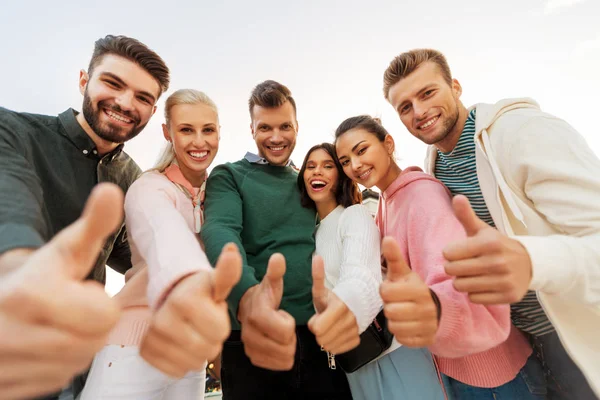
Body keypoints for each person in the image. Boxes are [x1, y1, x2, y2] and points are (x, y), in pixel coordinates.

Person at [382, 48, 600, 399]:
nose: (419, 111)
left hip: (572, 333)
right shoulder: (436, 166)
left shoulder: (524, 132)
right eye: (405, 107)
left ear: (455, 86)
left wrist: (531, 262)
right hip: (518, 344)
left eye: (427, 93)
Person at [335, 115, 546, 399]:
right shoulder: (387, 202)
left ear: (388, 144)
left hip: (491, 373)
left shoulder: (422, 195)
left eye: (361, 150)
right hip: (452, 366)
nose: (355, 165)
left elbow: (459, 282)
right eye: (345, 160)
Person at [80, 89, 241, 399]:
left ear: (220, 132)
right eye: (186, 129)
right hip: (132, 348)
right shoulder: (150, 188)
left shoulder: (221, 195)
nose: (199, 141)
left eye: (208, 130)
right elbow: (168, 242)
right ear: (167, 132)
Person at [201, 81, 352, 399]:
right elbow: (221, 231)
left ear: (297, 126)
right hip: (252, 334)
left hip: (318, 338)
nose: (276, 137)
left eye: (285, 126)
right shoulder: (229, 175)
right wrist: (247, 297)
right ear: (251, 129)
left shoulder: (310, 180)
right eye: (264, 127)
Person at [296, 142, 441, 399]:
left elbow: (361, 275)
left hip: (394, 347)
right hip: (354, 358)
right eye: (311, 166)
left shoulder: (354, 215)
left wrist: (343, 307)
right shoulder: (313, 233)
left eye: (328, 166)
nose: (317, 172)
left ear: (341, 175)